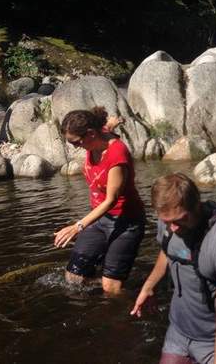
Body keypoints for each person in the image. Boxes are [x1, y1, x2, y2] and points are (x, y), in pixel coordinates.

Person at [131, 173, 216, 364]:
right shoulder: (168, 219)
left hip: (214, 339)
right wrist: (149, 285)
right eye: (167, 222)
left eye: (180, 220)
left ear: (196, 206)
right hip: (178, 333)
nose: (173, 228)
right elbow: (168, 250)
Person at [54, 107, 145, 294]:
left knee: (110, 287)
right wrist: (113, 122)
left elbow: (111, 200)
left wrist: (77, 227)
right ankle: (113, 277)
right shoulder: (97, 136)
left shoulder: (117, 154)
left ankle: (136, 294)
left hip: (125, 222)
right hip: (99, 220)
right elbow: (106, 128)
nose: (74, 147)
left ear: (90, 134)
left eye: (76, 143)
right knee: (74, 277)